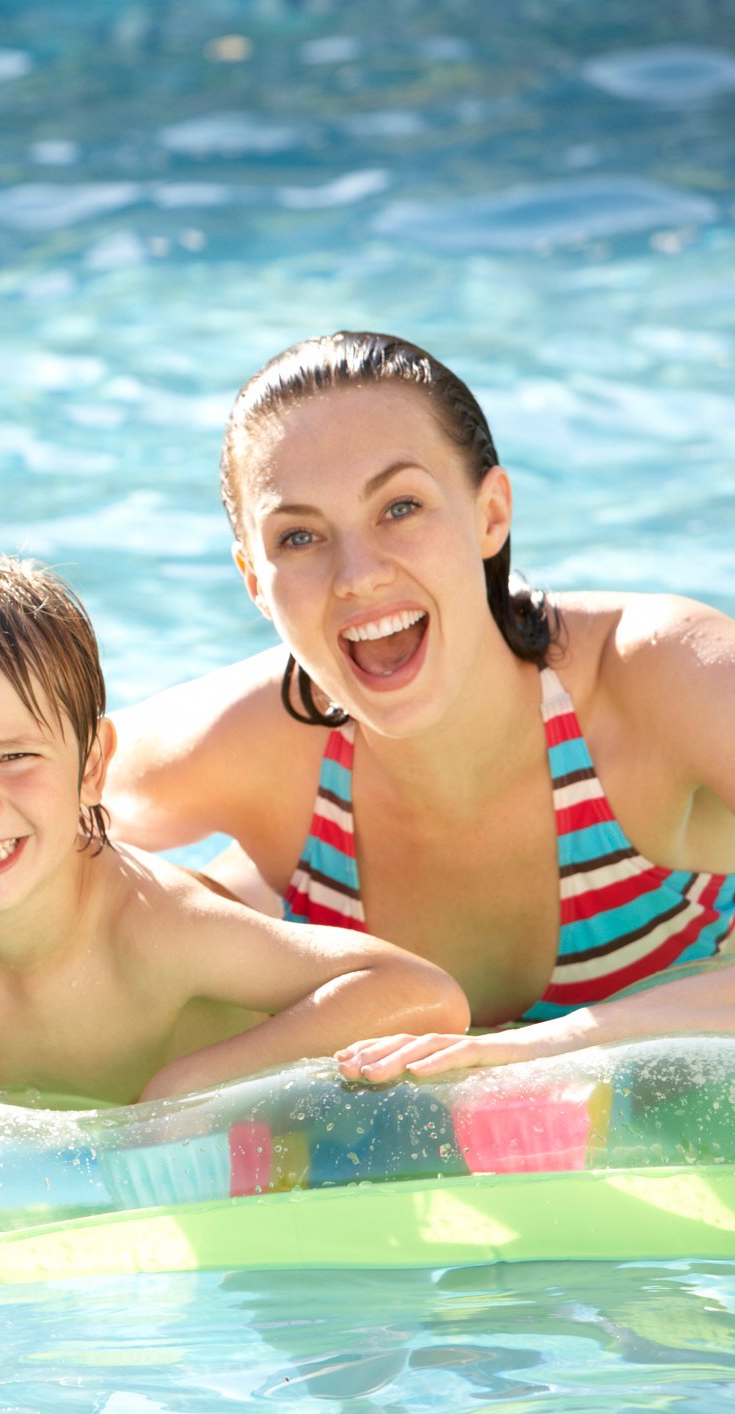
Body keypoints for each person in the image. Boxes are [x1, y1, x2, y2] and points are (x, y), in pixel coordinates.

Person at [104, 331, 735, 1082]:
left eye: (399, 506)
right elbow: (3, 792)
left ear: (490, 513)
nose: (357, 575)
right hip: (299, 896)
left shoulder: (655, 676)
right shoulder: (249, 746)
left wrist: (531, 1052)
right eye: (298, 536)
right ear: (252, 580)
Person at [0, 549, 465, 1111]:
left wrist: (187, 1087)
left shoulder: (155, 926)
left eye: (14, 757)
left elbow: (420, 993)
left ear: (91, 768)